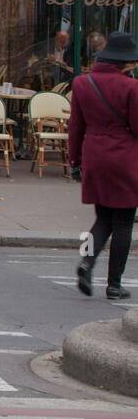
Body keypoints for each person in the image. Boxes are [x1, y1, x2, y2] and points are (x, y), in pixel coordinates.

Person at [70, 31, 138, 301]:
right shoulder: (132, 87)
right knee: (123, 223)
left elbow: (75, 127)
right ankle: (114, 284)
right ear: (126, 62)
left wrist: (74, 161)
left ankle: (86, 261)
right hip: (124, 158)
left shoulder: (81, 83)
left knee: (102, 219)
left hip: (94, 155)